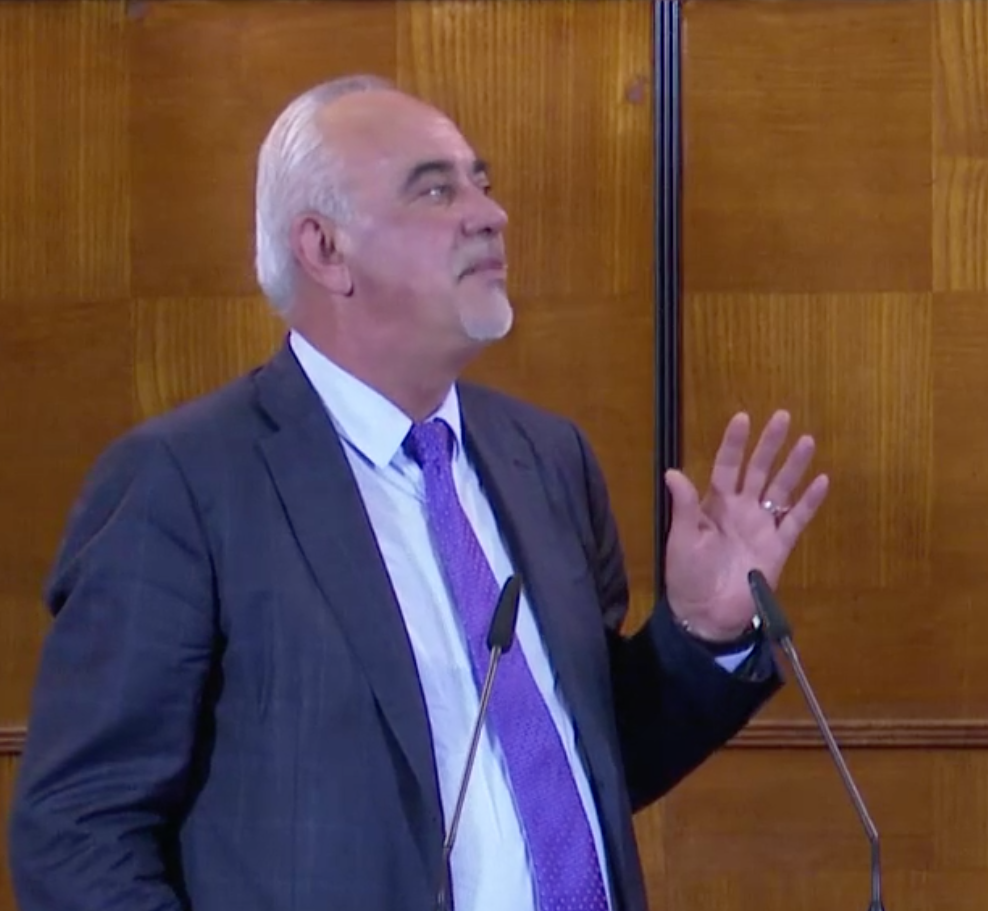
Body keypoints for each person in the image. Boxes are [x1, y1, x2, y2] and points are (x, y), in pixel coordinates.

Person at [8, 74, 831, 911]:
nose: (490, 214)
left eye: (482, 182)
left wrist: (703, 633)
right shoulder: (183, 485)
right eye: (436, 190)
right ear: (325, 250)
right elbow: (77, 833)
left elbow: (577, 765)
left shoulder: (547, 459)